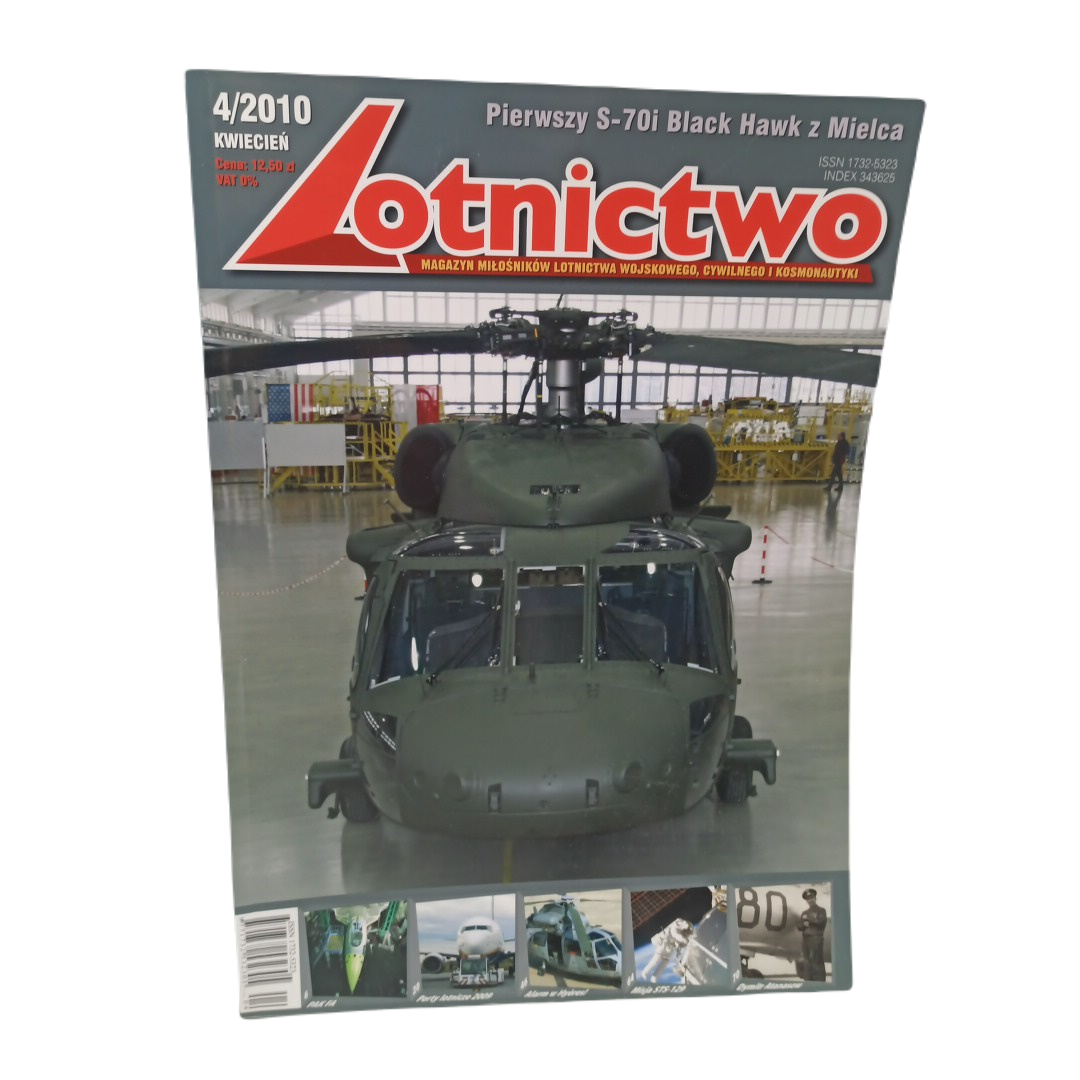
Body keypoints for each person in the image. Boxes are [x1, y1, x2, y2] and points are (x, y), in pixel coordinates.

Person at [642, 917, 694, 982]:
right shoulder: (675, 927)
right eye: (686, 930)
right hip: (663, 945)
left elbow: (681, 943)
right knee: (655, 961)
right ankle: (645, 972)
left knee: (664, 964)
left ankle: (654, 977)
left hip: (669, 949)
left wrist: (682, 944)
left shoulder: (681, 932)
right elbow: (676, 935)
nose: (686, 933)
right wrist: (686, 941)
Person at [797, 888, 828, 982]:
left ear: (815, 898)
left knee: (817, 961)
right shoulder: (804, 913)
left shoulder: (821, 910)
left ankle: (820, 983)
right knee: (806, 962)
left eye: (811, 898)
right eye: (808, 899)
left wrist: (809, 921)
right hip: (805, 939)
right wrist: (803, 925)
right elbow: (799, 926)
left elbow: (821, 922)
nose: (810, 900)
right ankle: (808, 982)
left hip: (816, 938)